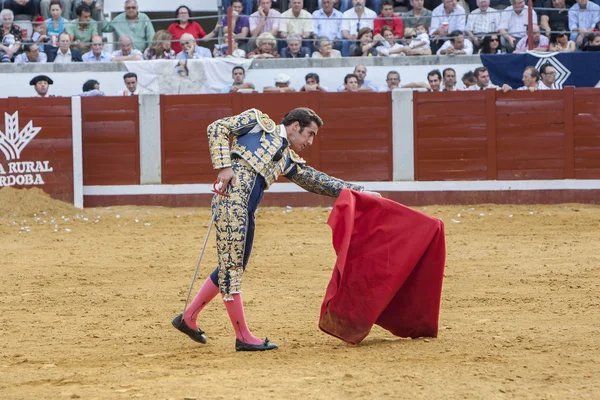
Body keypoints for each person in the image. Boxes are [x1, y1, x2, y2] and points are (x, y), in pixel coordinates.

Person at [171, 107, 381, 352]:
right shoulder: (257, 123)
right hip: (231, 202)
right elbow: (216, 127)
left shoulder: (285, 158)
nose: (310, 141)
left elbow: (314, 179)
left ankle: (189, 318)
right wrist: (224, 167)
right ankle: (243, 336)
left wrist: (358, 190)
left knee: (233, 265)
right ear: (295, 127)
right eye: (309, 134)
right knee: (232, 268)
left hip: (245, 210)